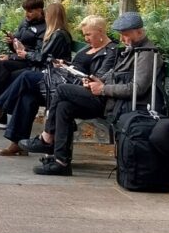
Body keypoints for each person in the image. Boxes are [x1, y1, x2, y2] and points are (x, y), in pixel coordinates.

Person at [33, 11, 161, 176]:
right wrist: (97, 81)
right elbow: (115, 75)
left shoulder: (146, 54)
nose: (122, 39)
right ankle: (61, 161)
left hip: (119, 107)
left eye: (126, 35)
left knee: (62, 89)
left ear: (139, 31)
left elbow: (137, 88)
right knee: (65, 106)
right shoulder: (133, 49)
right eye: (121, 35)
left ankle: (47, 138)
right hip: (109, 99)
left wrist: (103, 89)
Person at [0, 14, 118, 156]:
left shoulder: (111, 51)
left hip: (77, 90)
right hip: (63, 82)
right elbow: (77, 66)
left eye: (89, 34)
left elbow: (99, 78)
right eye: (84, 35)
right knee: (28, 95)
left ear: (100, 31)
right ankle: (17, 142)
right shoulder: (89, 47)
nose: (86, 38)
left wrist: (78, 75)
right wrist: (65, 65)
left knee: (26, 77)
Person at [0, 0, 71, 108]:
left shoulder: (55, 34)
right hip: (28, 59)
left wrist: (13, 56)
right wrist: (12, 42)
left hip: (35, 64)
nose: (26, 14)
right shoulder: (27, 24)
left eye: (30, 11)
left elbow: (41, 56)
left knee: (2, 70)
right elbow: (32, 50)